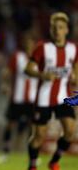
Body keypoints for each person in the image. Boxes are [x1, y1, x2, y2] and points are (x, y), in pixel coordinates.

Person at [24, 12, 77, 170]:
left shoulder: (73, 49)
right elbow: (28, 69)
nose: (57, 31)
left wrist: (75, 78)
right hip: (43, 98)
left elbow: (75, 68)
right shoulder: (42, 48)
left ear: (66, 30)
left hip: (63, 97)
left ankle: (54, 161)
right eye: (54, 28)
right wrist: (42, 75)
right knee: (39, 136)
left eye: (60, 28)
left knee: (70, 131)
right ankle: (32, 165)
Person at [0, 35, 38, 164]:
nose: (29, 46)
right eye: (27, 43)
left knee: (34, 127)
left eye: (31, 43)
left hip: (33, 99)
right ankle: (5, 153)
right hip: (17, 98)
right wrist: (5, 85)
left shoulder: (39, 59)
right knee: (10, 125)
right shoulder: (17, 57)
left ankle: (33, 155)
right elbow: (7, 72)